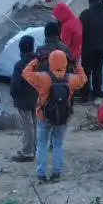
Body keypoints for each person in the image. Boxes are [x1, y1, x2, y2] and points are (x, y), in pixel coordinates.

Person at [22, 46, 85, 183]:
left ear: (50, 62)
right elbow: (83, 78)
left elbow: (25, 73)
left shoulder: (43, 78)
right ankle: (56, 173)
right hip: (62, 117)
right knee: (57, 144)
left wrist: (37, 60)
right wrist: (75, 64)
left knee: (42, 145)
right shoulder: (71, 79)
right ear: (65, 63)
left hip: (44, 116)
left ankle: (41, 174)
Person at [7, 33, 40, 162]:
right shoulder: (38, 63)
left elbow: (15, 86)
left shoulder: (20, 65)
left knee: (27, 126)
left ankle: (27, 151)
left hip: (23, 100)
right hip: (36, 98)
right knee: (35, 124)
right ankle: (35, 147)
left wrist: (13, 95)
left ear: (20, 49)